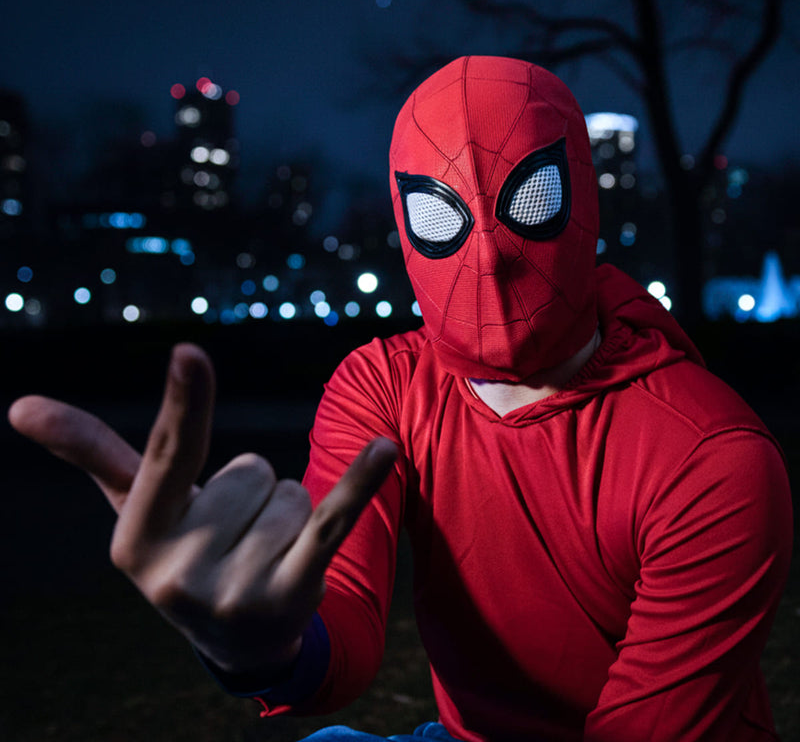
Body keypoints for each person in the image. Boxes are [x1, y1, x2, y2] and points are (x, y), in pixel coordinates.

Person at [9, 56, 792, 742]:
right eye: (439, 215)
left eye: (532, 195)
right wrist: (259, 647)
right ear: (405, 221)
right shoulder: (384, 385)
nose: (489, 254)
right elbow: (338, 620)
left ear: (583, 193)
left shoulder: (712, 458)